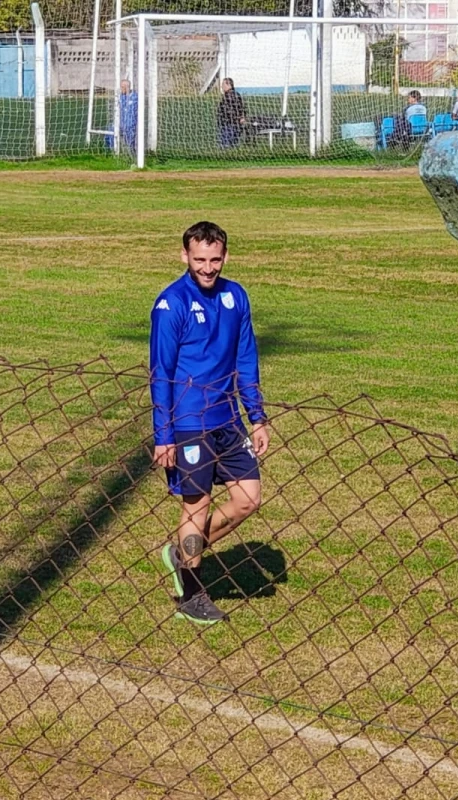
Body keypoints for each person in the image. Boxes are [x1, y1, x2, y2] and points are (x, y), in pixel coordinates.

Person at [150, 221, 270, 625]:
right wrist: (163, 436)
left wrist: (257, 417)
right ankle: (192, 594)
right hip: (187, 423)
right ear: (184, 256)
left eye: (214, 259)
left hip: (228, 418)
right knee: (196, 504)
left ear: (225, 257)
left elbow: (246, 359)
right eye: (199, 259)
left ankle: (181, 554)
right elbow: (161, 373)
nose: (207, 268)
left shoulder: (236, 297)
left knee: (248, 498)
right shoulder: (171, 305)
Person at [216, 78, 245, 149]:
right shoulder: (230, 95)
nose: (222, 87)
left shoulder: (231, 96)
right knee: (232, 144)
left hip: (229, 124)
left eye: (223, 84)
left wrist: (240, 117)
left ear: (229, 85)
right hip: (230, 123)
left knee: (226, 145)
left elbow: (239, 108)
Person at [119, 79, 138, 153]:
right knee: (111, 129)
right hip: (121, 123)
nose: (121, 89)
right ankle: (112, 151)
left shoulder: (135, 97)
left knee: (130, 137)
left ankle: (131, 152)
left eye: (122, 87)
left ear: (126, 87)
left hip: (131, 124)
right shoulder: (121, 96)